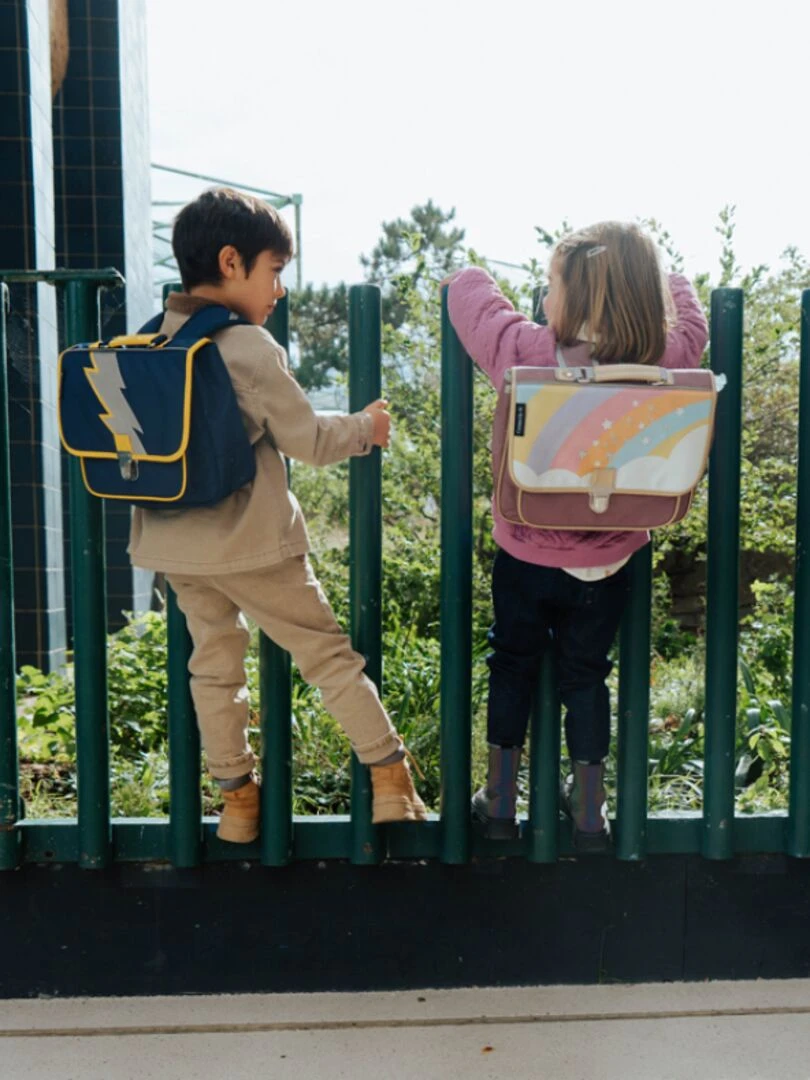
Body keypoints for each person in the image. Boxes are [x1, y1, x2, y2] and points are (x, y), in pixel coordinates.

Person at [128, 187, 426, 842]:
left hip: (174, 548)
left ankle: (236, 800)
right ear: (232, 262)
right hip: (253, 545)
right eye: (275, 272)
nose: (281, 291)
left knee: (212, 666)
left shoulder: (149, 344)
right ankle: (389, 779)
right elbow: (310, 441)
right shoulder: (247, 347)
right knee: (327, 657)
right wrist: (366, 428)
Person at [446, 221, 708, 850]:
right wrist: (654, 276)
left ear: (575, 298)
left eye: (549, 286)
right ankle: (590, 811)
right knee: (587, 675)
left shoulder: (530, 352)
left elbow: (468, 294)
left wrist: (472, 270)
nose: (542, 300)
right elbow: (693, 316)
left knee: (511, 666)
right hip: (610, 562)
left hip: (525, 552)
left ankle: (501, 803)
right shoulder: (665, 357)